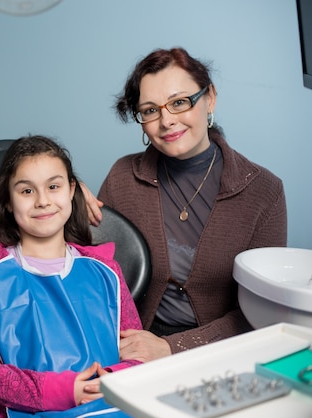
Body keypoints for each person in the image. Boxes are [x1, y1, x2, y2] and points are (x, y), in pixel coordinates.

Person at [98, 47, 287, 363]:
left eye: (179, 102)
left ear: (210, 98)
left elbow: (263, 311)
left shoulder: (264, 192)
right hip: (131, 344)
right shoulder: (122, 177)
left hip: (221, 351)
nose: (166, 121)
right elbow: (92, 274)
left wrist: (172, 348)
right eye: (150, 110)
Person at [0, 135, 142, 418]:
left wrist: (106, 382)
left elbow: (138, 353)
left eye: (53, 186)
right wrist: (56, 390)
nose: (43, 201)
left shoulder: (107, 273)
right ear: (8, 201)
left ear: (70, 191)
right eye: (27, 191)